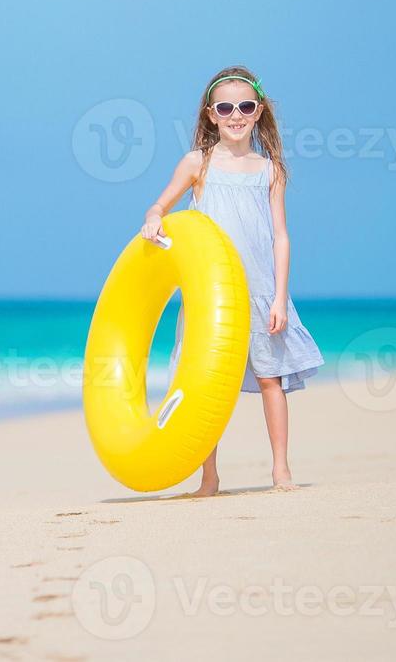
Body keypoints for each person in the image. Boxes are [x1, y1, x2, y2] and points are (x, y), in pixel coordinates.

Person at [140, 65, 323, 494]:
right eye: (226, 107)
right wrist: (153, 221)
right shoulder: (197, 163)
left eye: (245, 106)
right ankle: (209, 477)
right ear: (211, 114)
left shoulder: (270, 169)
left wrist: (279, 297)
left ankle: (281, 470)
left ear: (258, 111)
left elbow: (280, 235)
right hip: (210, 295)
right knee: (205, 383)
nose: (235, 114)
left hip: (259, 289)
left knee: (269, 379)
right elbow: (159, 207)